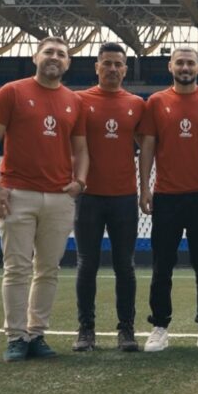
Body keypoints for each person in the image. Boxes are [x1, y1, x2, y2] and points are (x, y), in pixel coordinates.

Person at [0, 36, 88, 363]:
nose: (55, 58)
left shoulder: (74, 101)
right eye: (49, 52)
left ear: (68, 63)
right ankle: (16, 337)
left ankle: (37, 333)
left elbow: (81, 148)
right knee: (16, 268)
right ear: (35, 57)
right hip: (18, 193)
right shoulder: (12, 91)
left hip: (59, 197)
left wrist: (79, 181)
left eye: (61, 54)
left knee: (48, 270)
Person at [138, 47, 198, 352]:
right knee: (162, 265)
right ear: (170, 66)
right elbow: (148, 146)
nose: (185, 67)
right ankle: (159, 326)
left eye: (191, 63)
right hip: (166, 196)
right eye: (180, 62)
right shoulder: (156, 102)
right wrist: (145, 187)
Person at [71, 42, 147, 353]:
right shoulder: (79, 101)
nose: (113, 68)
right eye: (107, 63)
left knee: (125, 266)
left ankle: (126, 330)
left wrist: (145, 188)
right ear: (97, 67)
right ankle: (86, 330)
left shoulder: (137, 104)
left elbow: (148, 147)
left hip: (124, 197)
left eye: (118, 64)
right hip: (88, 196)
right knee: (86, 264)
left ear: (125, 69)